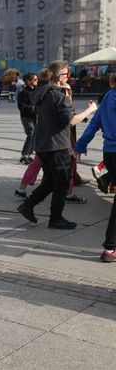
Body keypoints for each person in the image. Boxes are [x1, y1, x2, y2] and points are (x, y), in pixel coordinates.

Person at [16, 60, 97, 230]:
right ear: (60, 77)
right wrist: (90, 110)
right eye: (67, 74)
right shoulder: (59, 96)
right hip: (56, 145)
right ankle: (56, 218)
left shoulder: (42, 92)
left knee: (51, 181)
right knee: (62, 182)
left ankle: (28, 206)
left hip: (42, 144)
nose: (69, 77)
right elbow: (71, 121)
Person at [74, 73, 116, 261]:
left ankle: (110, 248)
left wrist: (80, 146)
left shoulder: (106, 98)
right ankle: (110, 247)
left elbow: (93, 124)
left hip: (110, 154)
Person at [17, 73, 39, 164]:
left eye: (37, 79)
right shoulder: (23, 93)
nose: (37, 81)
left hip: (36, 117)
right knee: (31, 134)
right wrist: (32, 108)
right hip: (26, 117)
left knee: (35, 135)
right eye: (35, 80)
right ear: (28, 81)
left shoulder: (38, 91)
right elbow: (21, 106)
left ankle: (29, 154)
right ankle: (24, 155)